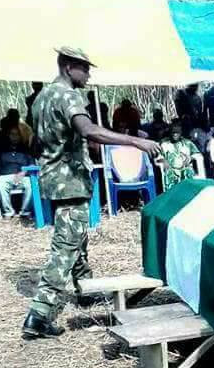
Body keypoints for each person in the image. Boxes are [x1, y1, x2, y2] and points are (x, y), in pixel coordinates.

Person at [22, 47, 159, 340]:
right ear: (68, 67)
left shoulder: (41, 98)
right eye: (84, 68)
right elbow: (88, 130)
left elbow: (34, 142)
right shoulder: (68, 96)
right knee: (66, 246)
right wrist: (135, 141)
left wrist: (54, 155)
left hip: (54, 180)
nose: (88, 74)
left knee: (76, 236)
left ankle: (84, 289)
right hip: (70, 180)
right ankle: (39, 314)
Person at [0, 126, 35, 217]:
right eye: (12, 134)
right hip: (4, 176)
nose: (15, 137)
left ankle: (25, 211)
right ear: (8, 135)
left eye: (17, 135)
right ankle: (8, 212)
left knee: (32, 184)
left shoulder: (25, 149)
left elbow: (32, 165)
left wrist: (23, 173)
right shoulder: (1, 149)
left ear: (20, 136)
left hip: (23, 176)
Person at [156, 119, 198, 190]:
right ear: (170, 132)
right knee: (170, 175)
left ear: (181, 133)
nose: (175, 134)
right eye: (173, 132)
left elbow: (198, 154)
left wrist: (190, 158)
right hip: (171, 169)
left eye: (177, 132)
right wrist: (163, 161)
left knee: (188, 173)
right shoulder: (163, 143)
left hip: (185, 168)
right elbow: (158, 156)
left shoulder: (188, 143)